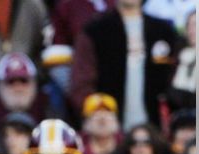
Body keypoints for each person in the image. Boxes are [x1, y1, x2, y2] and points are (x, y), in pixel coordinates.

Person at [70, 0, 181, 129]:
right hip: (108, 133)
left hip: (156, 131)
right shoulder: (95, 30)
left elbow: (175, 79)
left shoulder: (164, 32)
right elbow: (81, 83)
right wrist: (96, 117)